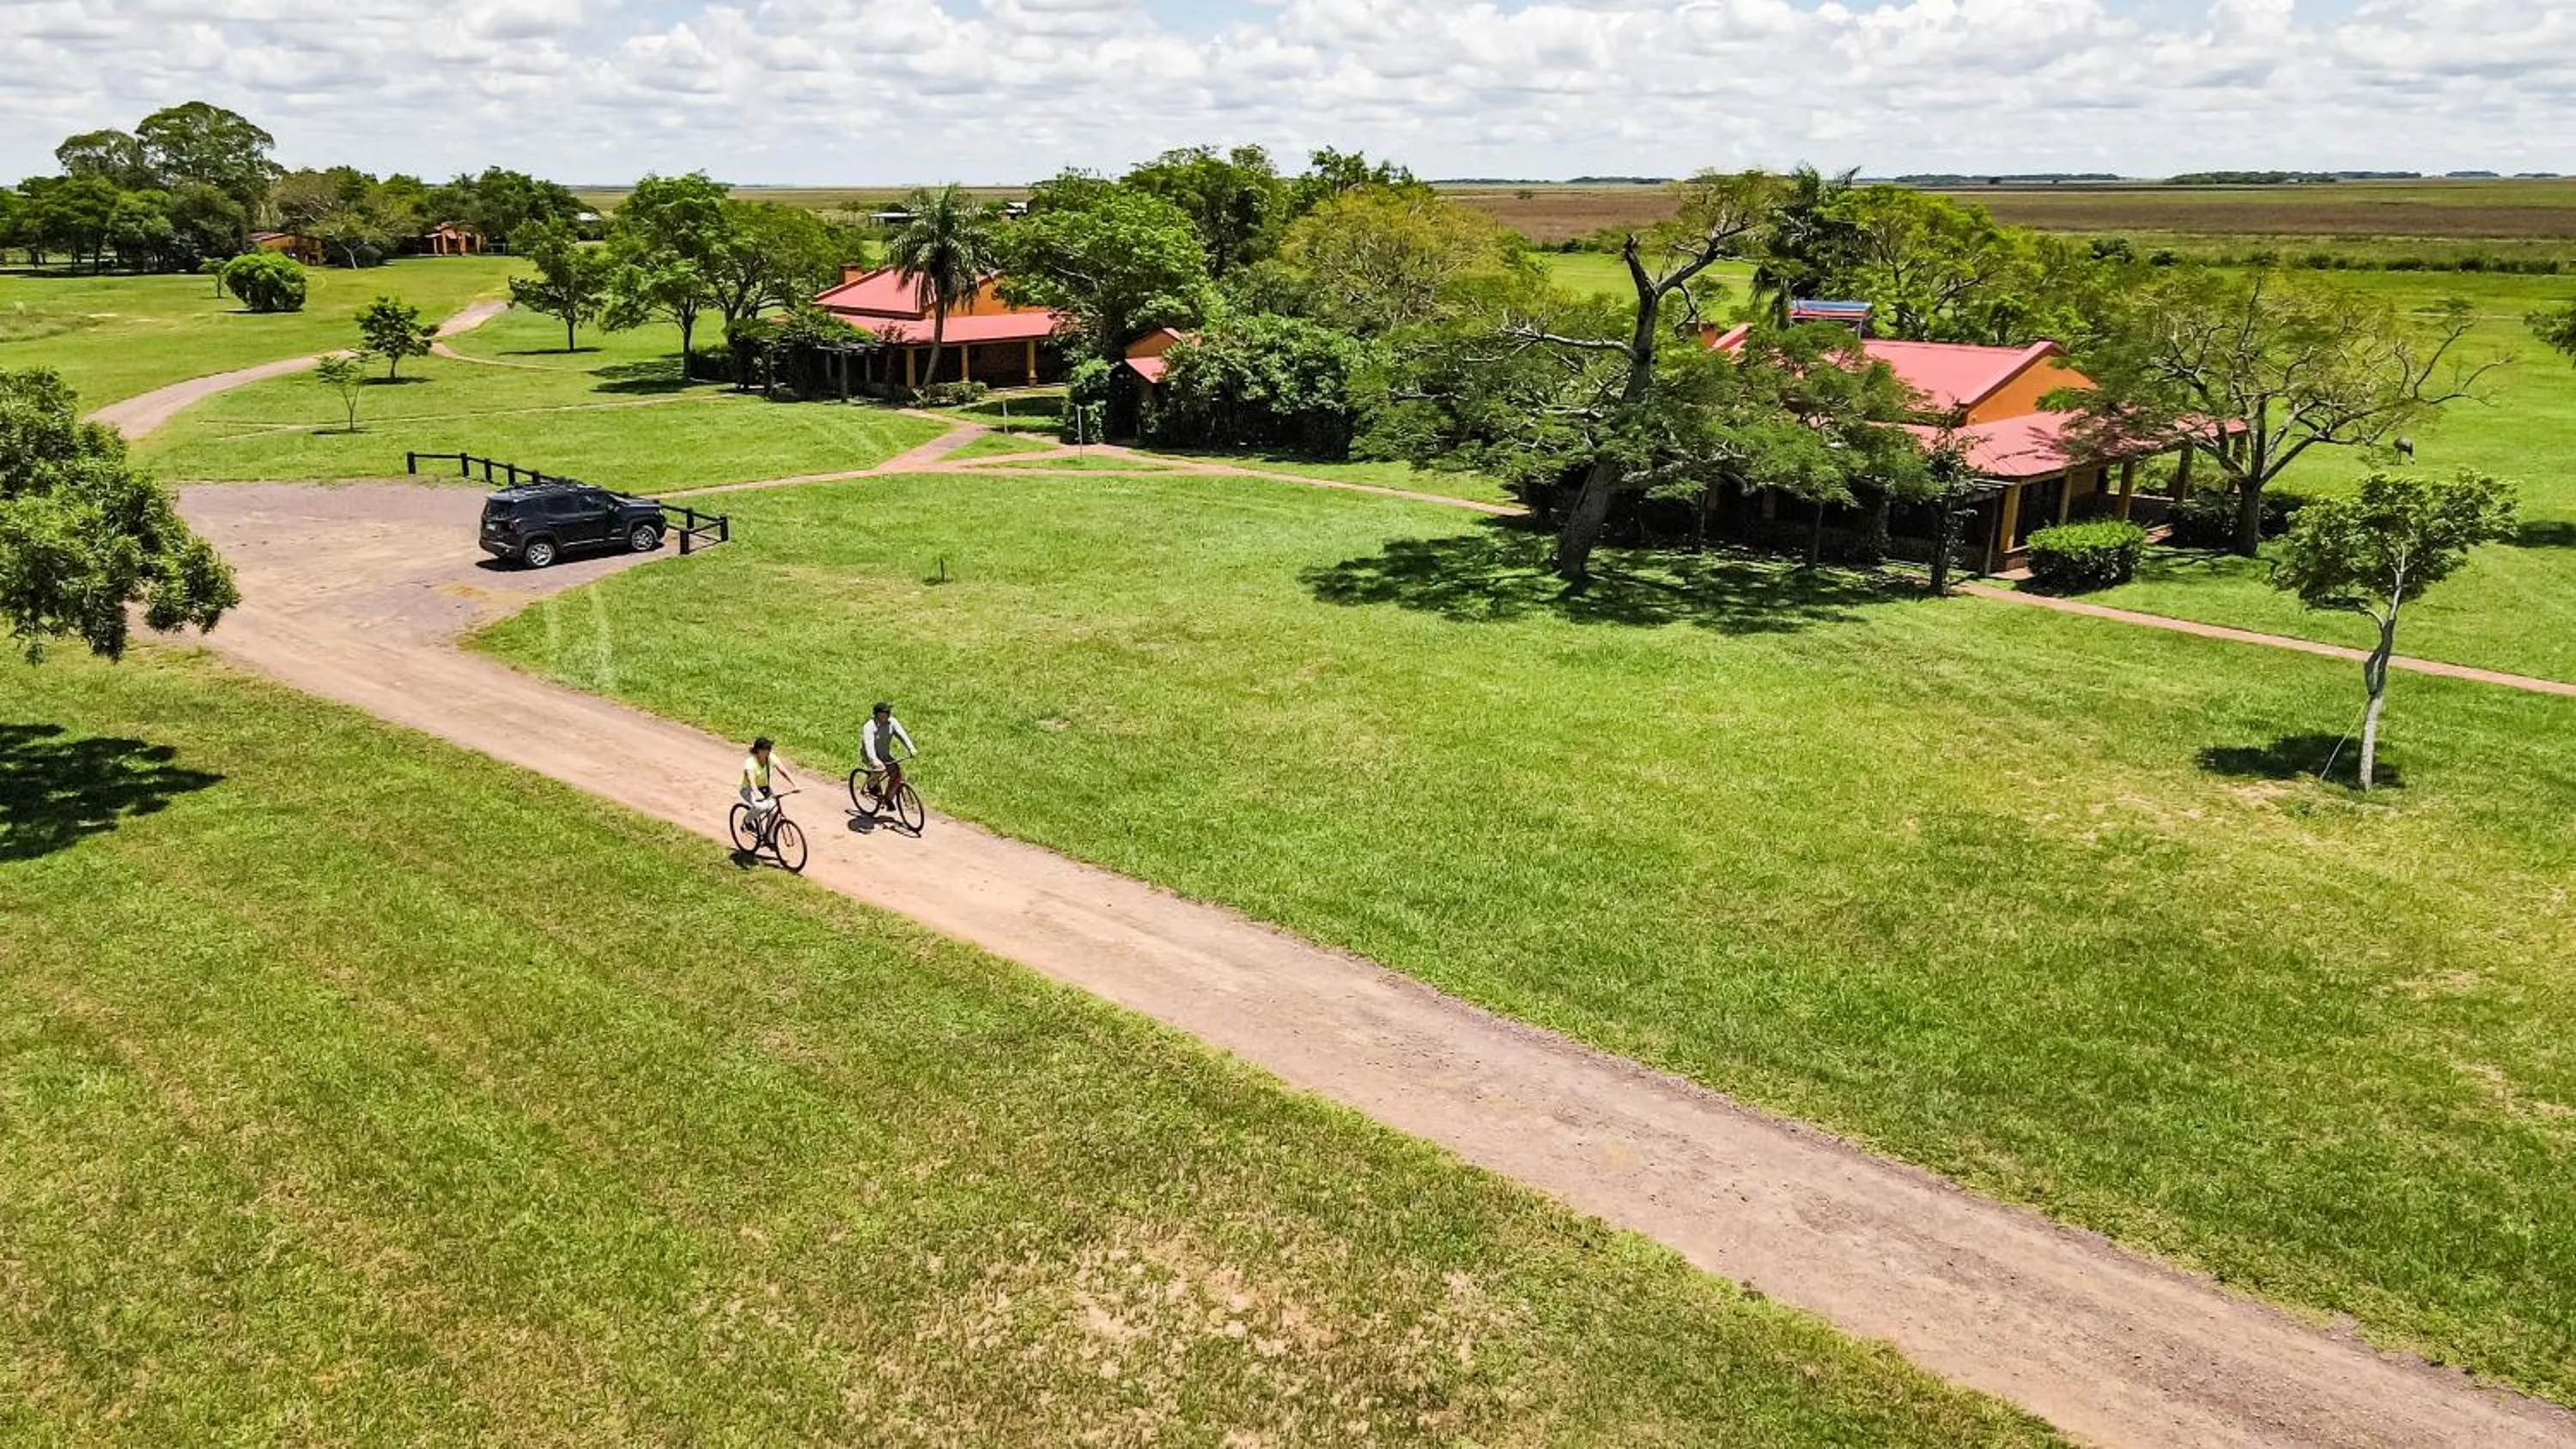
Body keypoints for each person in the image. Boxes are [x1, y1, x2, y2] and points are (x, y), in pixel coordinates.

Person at [859, 702, 917, 800]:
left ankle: (888, 799)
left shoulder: (892, 722)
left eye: (887, 712)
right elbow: (869, 746)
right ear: (877, 714)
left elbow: (902, 735)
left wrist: (911, 748)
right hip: (870, 756)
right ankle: (871, 784)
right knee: (880, 769)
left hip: (884, 754)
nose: (886, 714)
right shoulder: (869, 726)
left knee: (897, 775)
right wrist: (874, 759)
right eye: (883, 712)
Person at [739, 736, 785, 843]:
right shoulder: (750, 762)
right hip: (749, 789)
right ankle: (747, 821)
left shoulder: (771, 758)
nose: (769, 751)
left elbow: (783, 770)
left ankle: (769, 838)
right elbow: (751, 779)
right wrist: (756, 792)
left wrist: (795, 785)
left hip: (764, 789)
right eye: (766, 749)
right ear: (758, 750)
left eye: (770, 748)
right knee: (761, 807)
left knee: (774, 811)